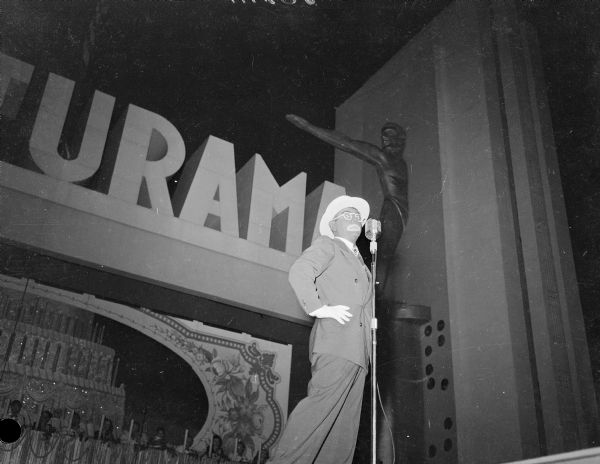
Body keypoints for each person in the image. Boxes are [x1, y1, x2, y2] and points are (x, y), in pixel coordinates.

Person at [267, 195, 373, 464]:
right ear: (333, 225)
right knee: (318, 412)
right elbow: (300, 270)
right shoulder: (328, 245)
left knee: (343, 430)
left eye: (357, 218)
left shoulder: (362, 261)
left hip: (358, 352)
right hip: (337, 344)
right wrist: (318, 307)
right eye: (346, 216)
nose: (354, 221)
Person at [286, 114, 408, 294]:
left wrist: (308, 126)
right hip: (395, 210)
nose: (386, 141)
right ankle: (370, 295)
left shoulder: (392, 160)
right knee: (380, 258)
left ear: (401, 140)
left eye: (391, 136)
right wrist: (308, 127)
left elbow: (348, 143)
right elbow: (348, 143)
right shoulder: (390, 159)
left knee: (382, 259)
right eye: (384, 137)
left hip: (396, 211)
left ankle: (372, 296)